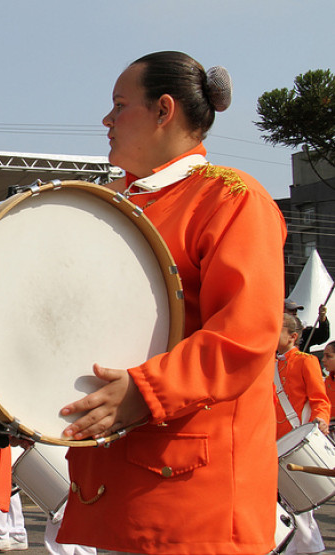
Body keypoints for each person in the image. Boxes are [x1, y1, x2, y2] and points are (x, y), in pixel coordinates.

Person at [57, 51, 286, 554]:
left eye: (119, 106)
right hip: (112, 475)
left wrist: (146, 389)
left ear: (164, 110)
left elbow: (244, 335)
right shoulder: (111, 204)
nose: (107, 120)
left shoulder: (232, 198)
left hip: (191, 488)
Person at [275, 312, 330, 554]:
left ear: (292, 336)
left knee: (298, 498)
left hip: (295, 438)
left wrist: (320, 421)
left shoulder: (306, 361)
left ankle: (309, 546)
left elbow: (320, 399)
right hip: (272, 440)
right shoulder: (270, 364)